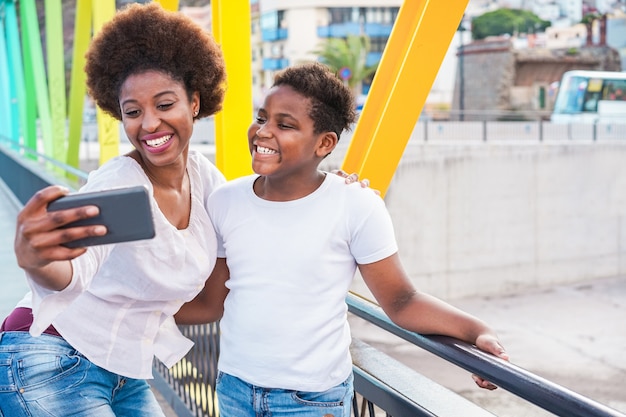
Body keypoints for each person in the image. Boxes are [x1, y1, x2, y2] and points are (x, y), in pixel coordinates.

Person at [175, 62, 510, 417]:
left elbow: (402, 300)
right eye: (262, 118)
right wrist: (124, 313)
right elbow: (212, 302)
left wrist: (477, 331)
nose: (263, 132)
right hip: (234, 391)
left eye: (284, 124)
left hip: (314, 402)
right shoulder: (225, 200)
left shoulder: (356, 205)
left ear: (324, 143)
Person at [0, 3, 230, 416]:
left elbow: (214, 298)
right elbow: (73, 273)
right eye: (133, 112)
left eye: (165, 104)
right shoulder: (118, 183)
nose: (150, 124)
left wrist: (330, 188)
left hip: (123, 370)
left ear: (194, 102)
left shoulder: (208, 181)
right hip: (49, 355)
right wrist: (37, 261)